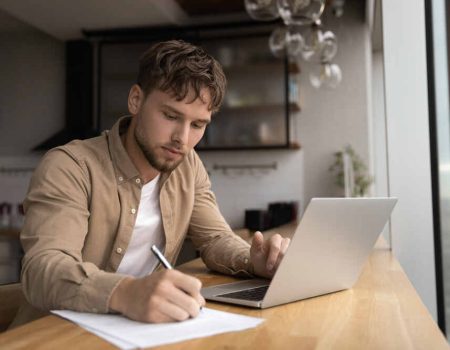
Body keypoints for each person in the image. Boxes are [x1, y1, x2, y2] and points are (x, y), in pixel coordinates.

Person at [13, 40, 290, 326]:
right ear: (136, 99)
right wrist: (126, 291)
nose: (182, 139)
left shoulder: (188, 164)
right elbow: (42, 269)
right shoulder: (70, 166)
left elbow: (216, 239)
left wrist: (254, 260)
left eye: (198, 125)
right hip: (53, 333)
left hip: (132, 329)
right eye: (171, 116)